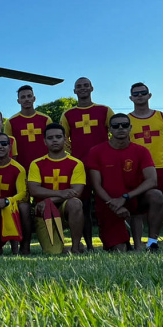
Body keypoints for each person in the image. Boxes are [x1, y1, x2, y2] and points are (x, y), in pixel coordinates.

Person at [86, 114, 163, 252]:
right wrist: (113, 203)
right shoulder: (96, 151)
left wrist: (125, 197)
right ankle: (124, 240)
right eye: (116, 126)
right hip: (109, 203)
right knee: (119, 250)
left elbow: (152, 180)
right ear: (110, 129)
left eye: (124, 125)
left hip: (134, 198)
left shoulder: (141, 151)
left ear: (130, 128)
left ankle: (152, 243)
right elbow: (96, 185)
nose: (120, 128)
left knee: (156, 195)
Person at [128, 82, 163, 251]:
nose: (139, 96)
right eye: (136, 94)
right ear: (131, 98)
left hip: (161, 167)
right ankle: (138, 247)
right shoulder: (126, 121)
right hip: (137, 171)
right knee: (137, 211)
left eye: (143, 92)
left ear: (149, 95)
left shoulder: (162, 117)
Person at [59, 77, 113, 252]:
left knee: (106, 204)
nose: (82, 88)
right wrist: (74, 155)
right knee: (83, 206)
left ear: (92, 88)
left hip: (104, 166)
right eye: (79, 86)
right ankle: (88, 244)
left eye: (85, 86)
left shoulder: (104, 110)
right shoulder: (68, 115)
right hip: (80, 167)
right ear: (74, 91)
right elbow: (63, 138)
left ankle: (111, 242)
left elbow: (116, 131)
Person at [26, 123, 86, 255]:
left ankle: (75, 247)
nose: (54, 140)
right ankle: (68, 248)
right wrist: (61, 193)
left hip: (64, 208)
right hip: (44, 212)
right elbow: (34, 190)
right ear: (44, 141)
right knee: (53, 253)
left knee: (75, 203)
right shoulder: (36, 164)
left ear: (65, 139)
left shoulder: (76, 163)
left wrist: (50, 200)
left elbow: (77, 192)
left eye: (58, 137)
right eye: (50, 138)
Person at [4, 85, 51, 171]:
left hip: (45, 166)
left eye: (29, 96)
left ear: (34, 98)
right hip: (21, 168)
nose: (26, 99)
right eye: (23, 97)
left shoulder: (46, 119)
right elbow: (8, 148)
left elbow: (52, 143)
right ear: (18, 101)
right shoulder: (11, 122)